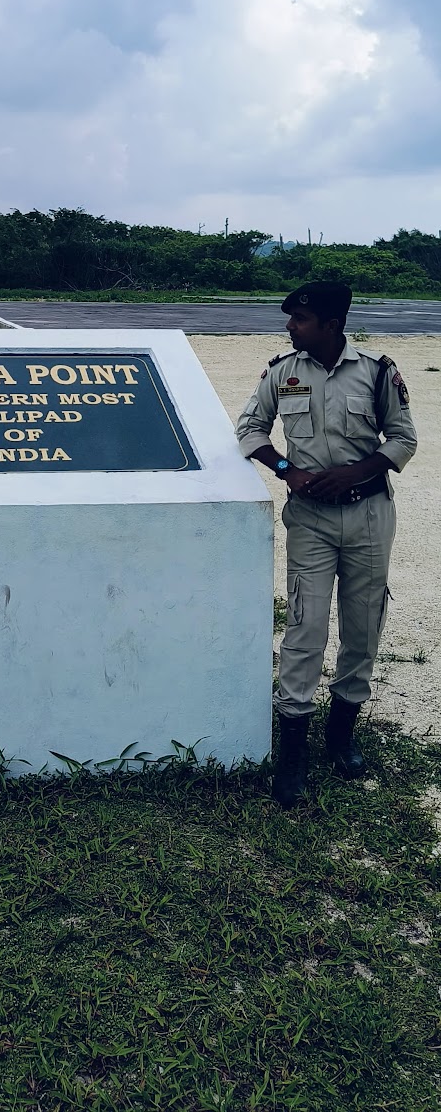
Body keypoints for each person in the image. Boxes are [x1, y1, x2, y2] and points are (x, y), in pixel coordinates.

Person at [236, 281, 417, 808]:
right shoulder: (281, 372)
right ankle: (292, 748)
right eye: (291, 319)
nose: (290, 327)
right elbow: (250, 430)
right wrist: (286, 471)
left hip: (367, 515)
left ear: (331, 325)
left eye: (300, 320)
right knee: (304, 626)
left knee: (362, 627)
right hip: (310, 519)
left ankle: (341, 735)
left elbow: (403, 438)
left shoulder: (378, 372)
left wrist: (356, 472)